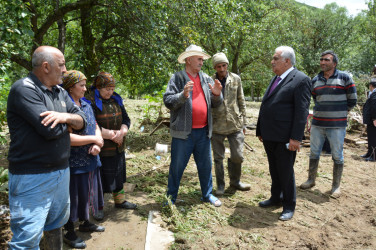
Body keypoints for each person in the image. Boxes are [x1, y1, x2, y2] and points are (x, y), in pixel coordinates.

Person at [7, 46, 86, 249]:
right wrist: (70, 122)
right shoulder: (23, 89)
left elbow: (83, 122)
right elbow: (49, 131)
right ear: (45, 66)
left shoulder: (59, 91)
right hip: (32, 177)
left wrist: (65, 117)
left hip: (60, 172)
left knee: (55, 225)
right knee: (27, 239)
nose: (65, 70)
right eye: (61, 65)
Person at [163, 45, 223, 207]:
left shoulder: (206, 79)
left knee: (205, 166)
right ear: (189, 60)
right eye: (199, 59)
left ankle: (207, 194)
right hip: (183, 134)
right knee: (177, 167)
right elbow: (168, 101)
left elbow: (216, 103)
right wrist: (182, 95)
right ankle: (171, 198)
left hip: (203, 132)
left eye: (202, 59)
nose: (202, 62)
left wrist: (217, 95)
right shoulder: (177, 78)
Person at [256, 46, 311, 221]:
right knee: (274, 169)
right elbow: (266, 105)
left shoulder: (301, 80)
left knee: (286, 171)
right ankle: (276, 198)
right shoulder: (276, 79)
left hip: (286, 137)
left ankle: (289, 204)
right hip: (270, 135)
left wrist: (296, 138)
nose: (272, 62)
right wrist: (260, 129)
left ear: (287, 61)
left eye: (275, 58)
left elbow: (301, 112)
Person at [300, 50, 357, 198]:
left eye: (326, 60)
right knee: (314, 152)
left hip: (337, 125)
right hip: (318, 124)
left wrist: (340, 113)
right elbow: (314, 98)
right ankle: (311, 180)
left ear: (334, 63)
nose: (322, 62)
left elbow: (353, 100)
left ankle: (336, 186)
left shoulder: (345, 78)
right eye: (321, 60)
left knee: (337, 156)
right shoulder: (315, 80)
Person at [61, 70, 105, 249]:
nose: (85, 89)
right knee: (73, 196)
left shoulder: (86, 105)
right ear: (71, 88)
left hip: (90, 158)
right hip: (74, 162)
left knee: (88, 192)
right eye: (81, 86)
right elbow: (67, 139)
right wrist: (93, 140)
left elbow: (94, 124)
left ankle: (85, 222)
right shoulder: (64, 107)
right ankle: (69, 231)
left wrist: (98, 142)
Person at [87, 71, 137, 210]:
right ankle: (98, 207)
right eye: (107, 89)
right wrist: (110, 135)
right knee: (101, 179)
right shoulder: (89, 102)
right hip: (101, 147)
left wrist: (122, 132)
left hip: (118, 146)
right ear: (98, 88)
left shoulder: (117, 100)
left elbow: (126, 119)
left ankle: (120, 202)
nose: (110, 92)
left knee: (118, 175)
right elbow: (90, 124)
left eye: (112, 89)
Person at [210, 52, 250, 195]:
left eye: (224, 65)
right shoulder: (209, 81)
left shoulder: (236, 79)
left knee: (237, 156)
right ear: (215, 67)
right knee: (218, 158)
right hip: (217, 125)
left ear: (227, 65)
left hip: (235, 124)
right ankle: (220, 185)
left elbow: (241, 100)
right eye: (218, 66)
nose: (221, 69)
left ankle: (236, 181)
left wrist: (244, 122)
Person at [361, 78, 376, 161]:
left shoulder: (375, 94)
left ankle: (373, 156)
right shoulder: (372, 93)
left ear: (371, 86)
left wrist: (374, 118)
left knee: (373, 138)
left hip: (373, 120)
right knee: (370, 137)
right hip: (371, 120)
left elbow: (375, 107)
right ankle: (369, 153)